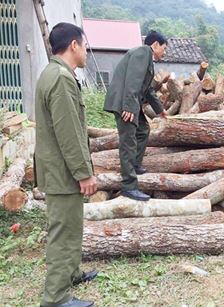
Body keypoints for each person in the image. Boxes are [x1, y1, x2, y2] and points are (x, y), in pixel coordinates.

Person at [35, 23, 98, 307]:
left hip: (60, 170)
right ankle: (56, 297)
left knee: (71, 225)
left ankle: (71, 273)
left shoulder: (56, 74)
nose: (86, 52)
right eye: (84, 46)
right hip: (63, 171)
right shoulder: (60, 77)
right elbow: (69, 132)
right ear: (74, 45)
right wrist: (83, 172)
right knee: (63, 232)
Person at [104, 30, 168, 201]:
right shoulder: (143, 52)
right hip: (124, 102)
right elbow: (132, 82)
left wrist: (160, 110)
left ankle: (134, 165)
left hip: (130, 102)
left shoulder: (147, 58)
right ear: (155, 45)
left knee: (143, 130)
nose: (164, 52)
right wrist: (128, 107)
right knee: (128, 141)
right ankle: (129, 186)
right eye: (164, 48)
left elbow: (147, 89)